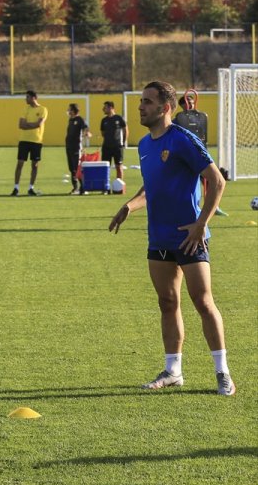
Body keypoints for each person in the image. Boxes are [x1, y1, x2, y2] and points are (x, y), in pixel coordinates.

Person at [109, 81, 234, 396]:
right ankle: (173, 371)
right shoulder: (143, 144)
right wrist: (129, 206)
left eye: (148, 102)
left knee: (203, 302)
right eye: (141, 101)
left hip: (190, 238)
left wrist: (199, 224)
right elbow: (151, 188)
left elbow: (217, 182)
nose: (141, 106)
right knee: (167, 302)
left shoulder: (183, 140)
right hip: (159, 238)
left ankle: (223, 374)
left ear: (165, 108)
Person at [12, 90, 48, 196]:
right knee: (20, 164)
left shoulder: (43, 109)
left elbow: (39, 124)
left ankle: (31, 188)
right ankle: (16, 188)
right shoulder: (25, 109)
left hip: (36, 141)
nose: (25, 99)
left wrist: (27, 125)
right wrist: (33, 125)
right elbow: (20, 125)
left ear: (33, 98)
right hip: (24, 140)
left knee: (35, 165)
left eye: (27, 97)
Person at [64, 103, 90, 194]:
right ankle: (75, 188)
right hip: (69, 146)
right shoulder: (70, 120)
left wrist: (87, 133)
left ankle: (83, 188)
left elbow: (85, 128)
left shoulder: (79, 119)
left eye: (70, 109)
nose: (69, 111)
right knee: (72, 168)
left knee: (77, 167)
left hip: (76, 147)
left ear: (74, 110)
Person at [100, 100, 128, 181]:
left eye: (105, 108)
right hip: (106, 147)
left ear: (111, 108)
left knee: (119, 166)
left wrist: (123, 142)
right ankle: (105, 186)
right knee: (105, 167)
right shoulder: (104, 120)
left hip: (117, 146)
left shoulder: (119, 118)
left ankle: (119, 186)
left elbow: (125, 130)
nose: (103, 109)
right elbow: (102, 133)